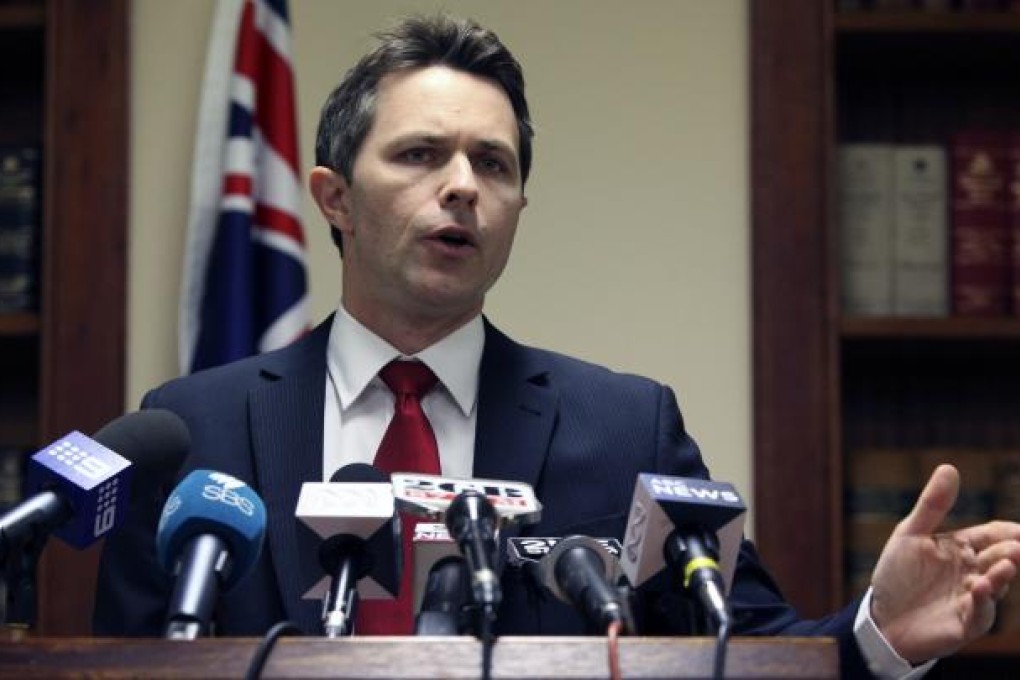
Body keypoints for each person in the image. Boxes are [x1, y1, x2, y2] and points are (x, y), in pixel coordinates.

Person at [94, 14, 1020, 678]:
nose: (463, 187)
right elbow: (119, 668)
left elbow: (748, 649)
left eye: (492, 165)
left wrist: (879, 631)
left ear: (517, 212)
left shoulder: (625, 428)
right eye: (420, 155)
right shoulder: (194, 429)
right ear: (334, 197)